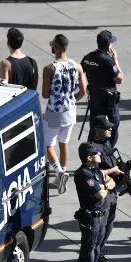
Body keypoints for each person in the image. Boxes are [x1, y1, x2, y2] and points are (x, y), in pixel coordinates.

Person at [41, 34, 87, 195]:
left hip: (54, 112)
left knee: (48, 145)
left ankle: (60, 172)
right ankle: (63, 172)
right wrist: (72, 100)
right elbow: (83, 90)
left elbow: (45, 94)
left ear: (57, 47)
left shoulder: (49, 68)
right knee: (64, 143)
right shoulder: (77, 66)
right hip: (70, 112)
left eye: (52, 45)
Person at [73, 142, 112, 262]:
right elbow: (100, 194)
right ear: (89, 158)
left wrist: (106, 185)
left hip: (100, 217)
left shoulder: (95, 171)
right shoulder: (83, 174)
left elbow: (109, 182)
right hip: (91, 219)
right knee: (87, 255)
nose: (100, 155)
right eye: (97, 154)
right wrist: (106, 186)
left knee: (96, 251)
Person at [90, 115, 125, 262]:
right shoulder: (92, 149)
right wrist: (113, 171)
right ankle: (94, 261)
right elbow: (94, 173)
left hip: (112, 192)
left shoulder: (108, 143)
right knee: (101, 227)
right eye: (106, 127)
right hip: (102, 194)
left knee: (109, 224)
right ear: (97, 130)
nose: (110, 129)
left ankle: (100, 254)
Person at [82, 30, 124, 145]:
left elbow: (80, 72)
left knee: (95, 128)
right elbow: (119, 78)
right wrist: (115, 59)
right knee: (111, 129)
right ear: (108, 45)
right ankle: (105, 154)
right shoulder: (108, 61)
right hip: (108, 103)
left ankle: (91, 150)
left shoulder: (88, 57)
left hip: (95, 100)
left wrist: (86, 86)